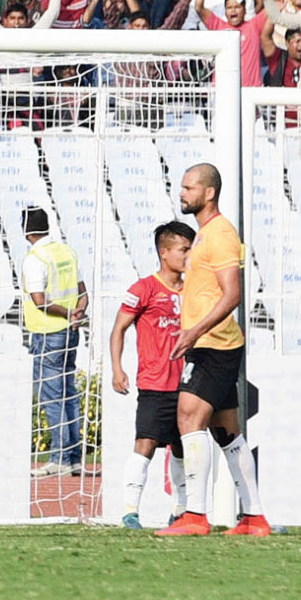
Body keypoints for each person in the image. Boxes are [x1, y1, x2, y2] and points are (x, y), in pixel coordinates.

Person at [163, 162, 268, 537]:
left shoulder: (221, 234)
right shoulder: (205, 233)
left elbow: (233, 294)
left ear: (208, 193)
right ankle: (254, 517)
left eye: (189, 187)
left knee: (188, 419)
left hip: (212, 344)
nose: (182, 193)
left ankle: (194, 514)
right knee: (227, 434)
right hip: (213, 342)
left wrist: (193, 331)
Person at [109, 221, 193, 529]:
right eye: (184, 249)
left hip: (188, 384)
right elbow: (118, 329)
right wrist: (118, 368)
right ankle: (130, 511)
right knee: (145, 443)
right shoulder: (143, 289)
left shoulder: (194, 289)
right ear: (164, 252)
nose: (189, 255)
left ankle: (181, 510)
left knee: (184, 448)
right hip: (155, 383)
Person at [20, 204, 86, 471]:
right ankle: (74, 458)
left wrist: (68, 313)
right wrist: (78, 313)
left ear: (26, 231)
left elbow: (39, 301)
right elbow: (83, 292)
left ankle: (59, 458)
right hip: (70, 332)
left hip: (47, 333)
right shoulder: (66, 252)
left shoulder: (36, 257)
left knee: (52, 396)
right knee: (69, 394)